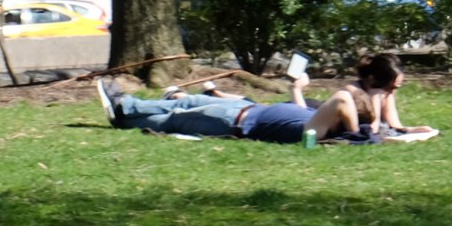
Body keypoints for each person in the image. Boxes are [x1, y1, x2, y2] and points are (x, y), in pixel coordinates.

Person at [97, 75, 361, 143]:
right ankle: (126, 105)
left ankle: (122, 116)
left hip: (234, 121)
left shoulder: (315, 132)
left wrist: (356, 132)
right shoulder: (313, 119)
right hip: (242, 107)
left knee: (175, 118)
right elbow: (347, 95)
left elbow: (341, 98)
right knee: (185, 101)